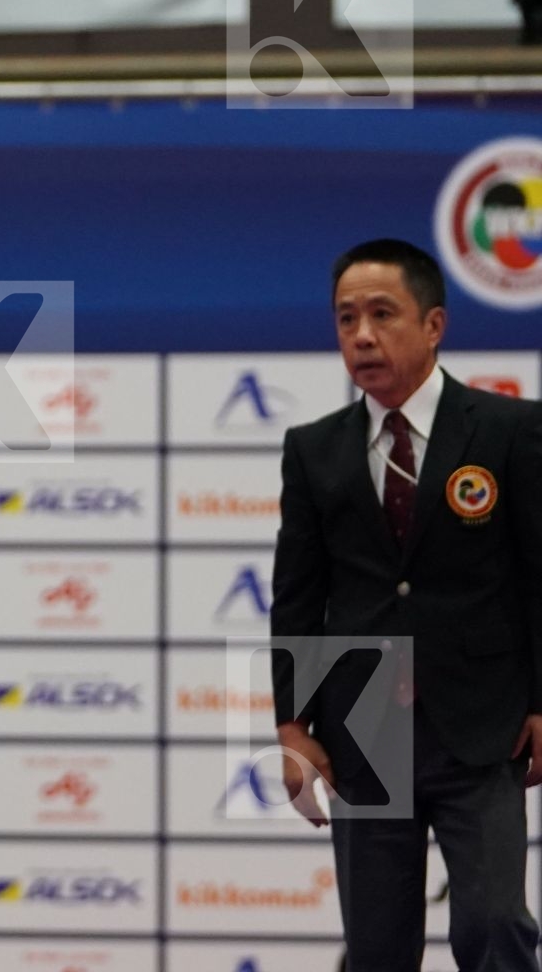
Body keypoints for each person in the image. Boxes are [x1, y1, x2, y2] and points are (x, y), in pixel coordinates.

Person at [272, 237, 542, 972]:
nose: (361, 335)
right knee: (378, 946)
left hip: (481, 723)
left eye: (382, 314)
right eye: (345, 319)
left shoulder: (510, 430)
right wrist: (291, 725)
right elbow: (296, 595)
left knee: (493, 924)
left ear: (433, 325)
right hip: (366, 726)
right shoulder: (313, 449)